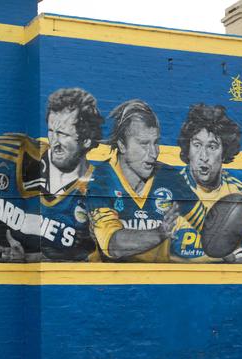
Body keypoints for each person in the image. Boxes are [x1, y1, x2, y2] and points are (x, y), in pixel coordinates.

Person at [0, 88, 105, 262]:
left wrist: (27, 259)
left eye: (63, 134)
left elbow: (88, 259)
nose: (54, 142)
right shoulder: (7, 151)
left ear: (86, 140)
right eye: (51, 131)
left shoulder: (96, 191)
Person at [86, 99, 207, 263]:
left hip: (158, 282)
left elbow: (208, 227)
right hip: (113, 283)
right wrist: (160, 233)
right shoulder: (103, 178)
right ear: (122, 145)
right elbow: (112, 245)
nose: (154, 152)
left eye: (155, 142)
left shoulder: (169, 177)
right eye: (144, 144)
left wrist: (228, 246)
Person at [177, 103, 242, 263]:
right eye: (197, 145)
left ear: (224, 152)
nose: (203, 156)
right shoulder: (170, 188)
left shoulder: (241, 196)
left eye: (212, 146)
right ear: (188, 149)